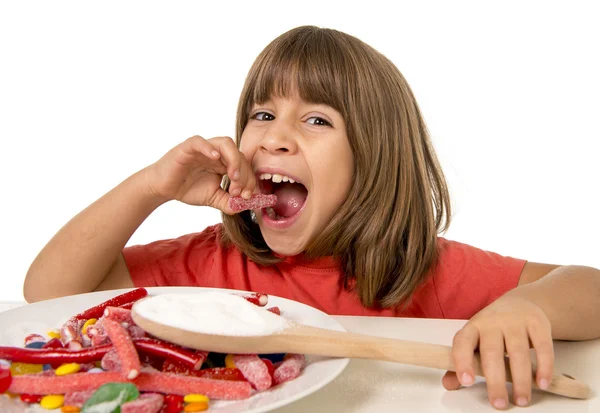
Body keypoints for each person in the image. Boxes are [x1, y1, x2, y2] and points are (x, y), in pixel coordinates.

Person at [23, 26, 600, 410]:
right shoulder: (210, 265)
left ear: (374, 156)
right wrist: (150, 186)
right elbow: (50, 291)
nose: (275, 136)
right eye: (263, 113)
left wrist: (526, 306)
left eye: (316, 120)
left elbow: (590, 287)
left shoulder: (422, 269)